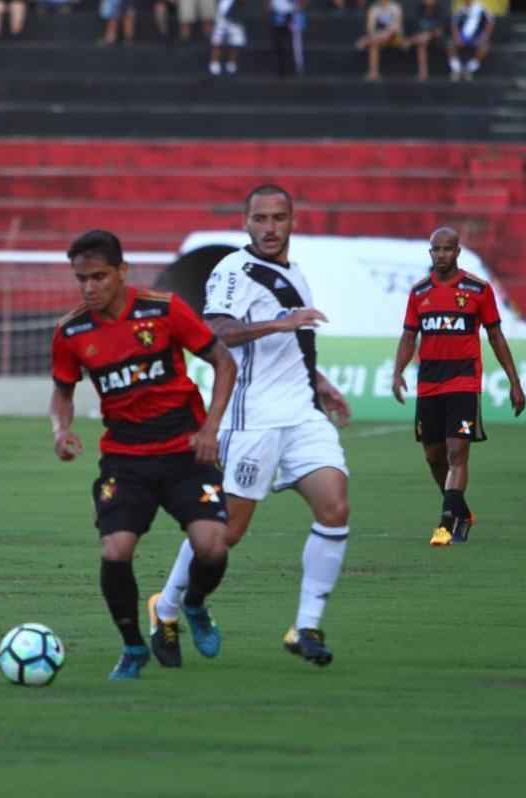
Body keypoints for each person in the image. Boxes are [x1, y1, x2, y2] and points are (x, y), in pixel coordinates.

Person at [148, 185, 355, 668]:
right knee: (224, 535)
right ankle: (171, 608)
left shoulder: (295, 273)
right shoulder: (233, 271)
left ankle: (305, 627)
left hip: (303, 415)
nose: (269, 227)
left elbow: (294, 344)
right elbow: (215, 330)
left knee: (335, 506)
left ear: (291, 221)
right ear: (246, 222)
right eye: (259, 218)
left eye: (278, 218)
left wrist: (319, 382)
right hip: (253, 420)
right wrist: (279, 324)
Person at [49, 230, 237, 680]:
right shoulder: (72, 332)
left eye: (98, 277)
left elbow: (224, 362)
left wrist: (210, 428)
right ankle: (133, 647)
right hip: (125, 458)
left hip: (185, 450)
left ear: (122, 272)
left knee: (212, 545)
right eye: (81, 279)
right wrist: (61, 429)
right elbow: (62, 393)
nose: (90, 288)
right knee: (116, 550)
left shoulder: (164, 309)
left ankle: (192, 604)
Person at [391, 227, 525, 547]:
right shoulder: (419, 292)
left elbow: (495, 336)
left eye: (447, 249)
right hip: (429, 385)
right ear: (430, 253)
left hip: (463, 381)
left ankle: (446, 524)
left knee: (456, 451)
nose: (441, 255)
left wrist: (514, 382)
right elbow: (409, 336)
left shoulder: (478, 290)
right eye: (435, 250)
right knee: (434, 456)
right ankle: (458, 509)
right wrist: (397, 372)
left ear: (457, 252)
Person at [354, 0, 404, 82]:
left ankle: (366, 41)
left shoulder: (395, 7)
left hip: (395, 37)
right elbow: (370, 28)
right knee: (374, 43)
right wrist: (378, 35)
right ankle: (374, 73)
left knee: (388, 34)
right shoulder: (374, 8)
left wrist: (384, 34)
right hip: (379, 38)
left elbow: (397, 27)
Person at [448, 0, 493, 81]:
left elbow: (489, 24)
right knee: (449, 44)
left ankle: (469, 69)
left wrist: (483, 37)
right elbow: (454, 25)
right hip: (461, 38)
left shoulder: (481, 10)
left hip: (476, 39)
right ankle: (457, 69)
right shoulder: (459, 11)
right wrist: (457, 37)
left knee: (485, 47)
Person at [405, 0, 445, 81]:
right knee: (422, 43)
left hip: (436, 38)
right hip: (422, 38)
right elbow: (416, 27)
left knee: (423, 38)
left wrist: (429, 34)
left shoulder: (439, 10)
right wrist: (421, 35)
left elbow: (440, 31)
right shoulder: (420, 9)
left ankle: (410, 41)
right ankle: (423, 73)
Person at [270, 0, 307, 77]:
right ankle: (282, 68)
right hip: (279, 17)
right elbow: (271, 6)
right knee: (280, 43)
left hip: (294, 16)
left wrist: (297, 9)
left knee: (296, 43)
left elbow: (302, 3)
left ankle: (297, 67)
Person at [209, 0, 246, 75]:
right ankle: (214, 63)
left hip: (236, 16)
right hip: (221, 16)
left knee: (236, 42)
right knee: (217, 40)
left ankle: (231, 63)